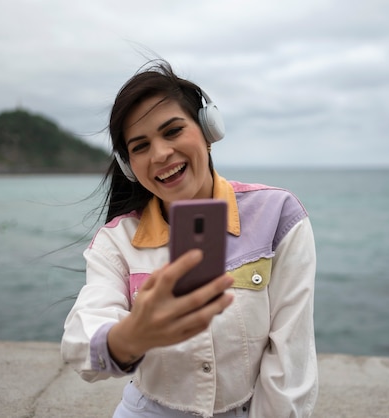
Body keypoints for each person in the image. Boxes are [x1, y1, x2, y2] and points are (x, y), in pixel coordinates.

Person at [61, 60, 318, 418]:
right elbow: (80, 342)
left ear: (208, 129)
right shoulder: (116, 241)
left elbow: (291, 359)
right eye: (140, 146)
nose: (161, 154)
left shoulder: (278, 215)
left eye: (172, 131)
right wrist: (133, 334)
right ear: (128, 166)